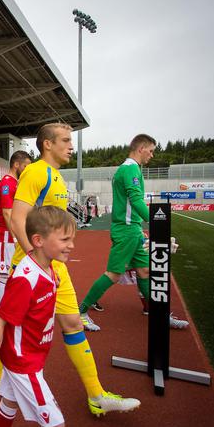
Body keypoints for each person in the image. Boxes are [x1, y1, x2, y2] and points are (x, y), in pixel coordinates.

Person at [10, 122, 139, 416]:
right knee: (20, 333)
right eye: (66, 140)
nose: (71, 146)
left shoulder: (55, 176)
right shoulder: (36, 171)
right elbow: (17, 219)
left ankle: (96, 394)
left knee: (72, 324)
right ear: (47, 144)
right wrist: (35, 258)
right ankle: (1, 379)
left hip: (55, 268)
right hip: (33, 269)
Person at [0, 206, 75, 427]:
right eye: (65, 239)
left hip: (30, 355)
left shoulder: (47, 264)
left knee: (9, 402)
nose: (71, 245)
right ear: (38, 240)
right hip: (23, 361)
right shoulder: (26, 277)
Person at [78, 134, 188, 331]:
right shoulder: (130, 169)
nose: (152, 155)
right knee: (113, 274)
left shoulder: (131, 169)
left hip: (133, 230)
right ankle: (81, 312)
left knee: (145, 271)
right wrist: (157, 225)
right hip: (127, 230)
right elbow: (136, 200)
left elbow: (135, 201)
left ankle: (161, 315)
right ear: (141, 148)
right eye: (151, 150)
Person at [0, 150, 32, 305]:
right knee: (4, 275)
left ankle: (9, 307)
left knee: (13, 274)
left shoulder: (15, 183)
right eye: (26, 166)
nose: (28, 170)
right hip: (5, 237)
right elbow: (8, 214)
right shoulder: (7, 184)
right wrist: (17, 237)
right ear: (16, 164)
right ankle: (1, 312)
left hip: (11, 237)